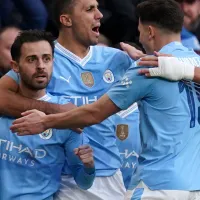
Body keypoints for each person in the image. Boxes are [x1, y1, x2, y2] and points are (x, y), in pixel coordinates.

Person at [11, 0, 200, 199]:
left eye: (140, 31)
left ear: (150, 32)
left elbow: (94, 113)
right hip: (194, 184)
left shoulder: (144, 67)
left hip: (156, 184)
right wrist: (182, 69)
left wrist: (44, 121)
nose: (100, 14)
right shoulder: (193, 63)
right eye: (90, 8)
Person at [0, 0, 138, 199]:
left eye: (98, 7)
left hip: (111, 177)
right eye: (90, 9)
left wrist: (146, 59)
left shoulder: (117, 58)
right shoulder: (43, 58)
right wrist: (56, 110)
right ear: (66, 19)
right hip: (65, 180)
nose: (99, 14)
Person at [0, 30, 95, 200]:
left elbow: (84, 182)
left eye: (46, 59)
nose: (41, 66)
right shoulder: (3, 108)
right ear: (15, 66)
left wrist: (88, 166)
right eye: (31, 59)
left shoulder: (67, 117)